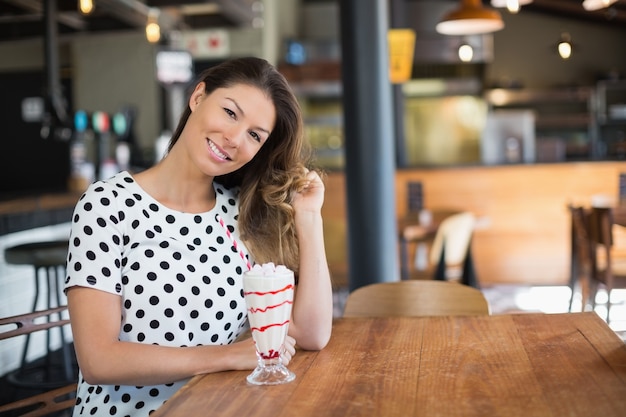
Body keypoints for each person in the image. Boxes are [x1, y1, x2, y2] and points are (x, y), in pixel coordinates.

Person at [64, 57, 334, 416]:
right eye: (230, 113)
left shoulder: (240, 213)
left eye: (255, 135)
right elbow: (98, 359)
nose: (235, 139)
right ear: (197, 97)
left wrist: (309, 215)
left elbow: (311, 333)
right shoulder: (107, 205)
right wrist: (226, 356)